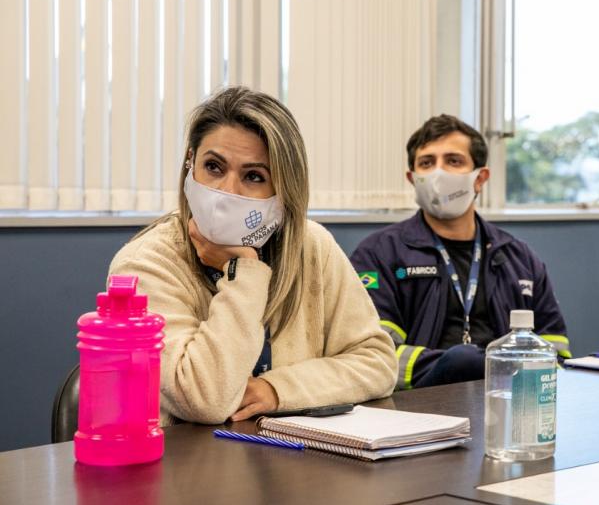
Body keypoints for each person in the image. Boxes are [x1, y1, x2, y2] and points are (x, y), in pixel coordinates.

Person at [109, 87, 397, 425]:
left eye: (253, 176)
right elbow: (206, 399)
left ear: (284, 190)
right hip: (187, 467)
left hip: (296, 465)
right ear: (190, 165)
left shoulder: (312, 246)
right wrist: (246, 272)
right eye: (214, 167)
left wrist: (275, 390)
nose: (226, 191)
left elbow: (377, 361)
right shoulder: (145, 263)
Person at [349, 114, 570, 389]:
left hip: (510, 403)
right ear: (412, 178)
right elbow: (373, 354)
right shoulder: (378, 254)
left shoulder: (520, 258)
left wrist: (487, 366)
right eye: (427, 163)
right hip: (418, 405)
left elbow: (555, 351)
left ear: (480, 178)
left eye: (453, 161)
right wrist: (455, 365)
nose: (438, 173)